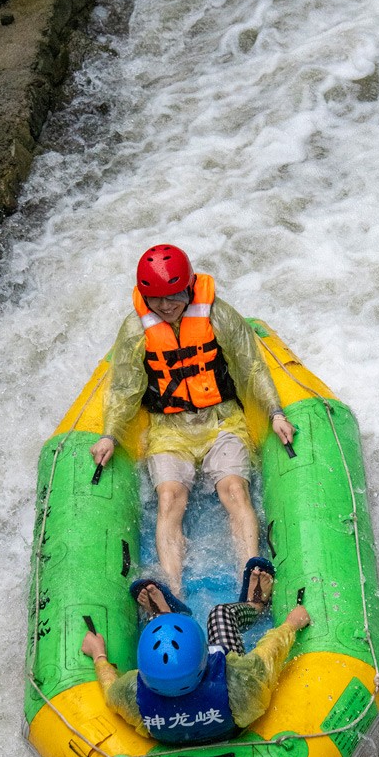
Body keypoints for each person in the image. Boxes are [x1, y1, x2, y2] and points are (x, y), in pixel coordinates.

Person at [89, 243, 295, 597]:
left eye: (174, 296)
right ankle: (173, 590)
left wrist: (275, 412)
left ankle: (252, 579)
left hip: (221, 420)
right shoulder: (136, 329)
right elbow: (124, 387)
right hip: (168, 428)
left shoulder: (218, 316)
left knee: (234, 489)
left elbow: (251, 365)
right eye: (157, 300)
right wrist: (110, 435)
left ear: (189, 286)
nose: (166, 307)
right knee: (170, 497)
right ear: (144, 297)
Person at [80, 574, 310, 745]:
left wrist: (99, 655)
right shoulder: (237, 680)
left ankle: (161, 616)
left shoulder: (133, 695)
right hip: (230, 724)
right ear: (206, 654)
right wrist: (292, 623)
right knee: (220, 614)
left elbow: (111, 690)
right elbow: (269, 652)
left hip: (173, 732)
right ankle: (256, 605)